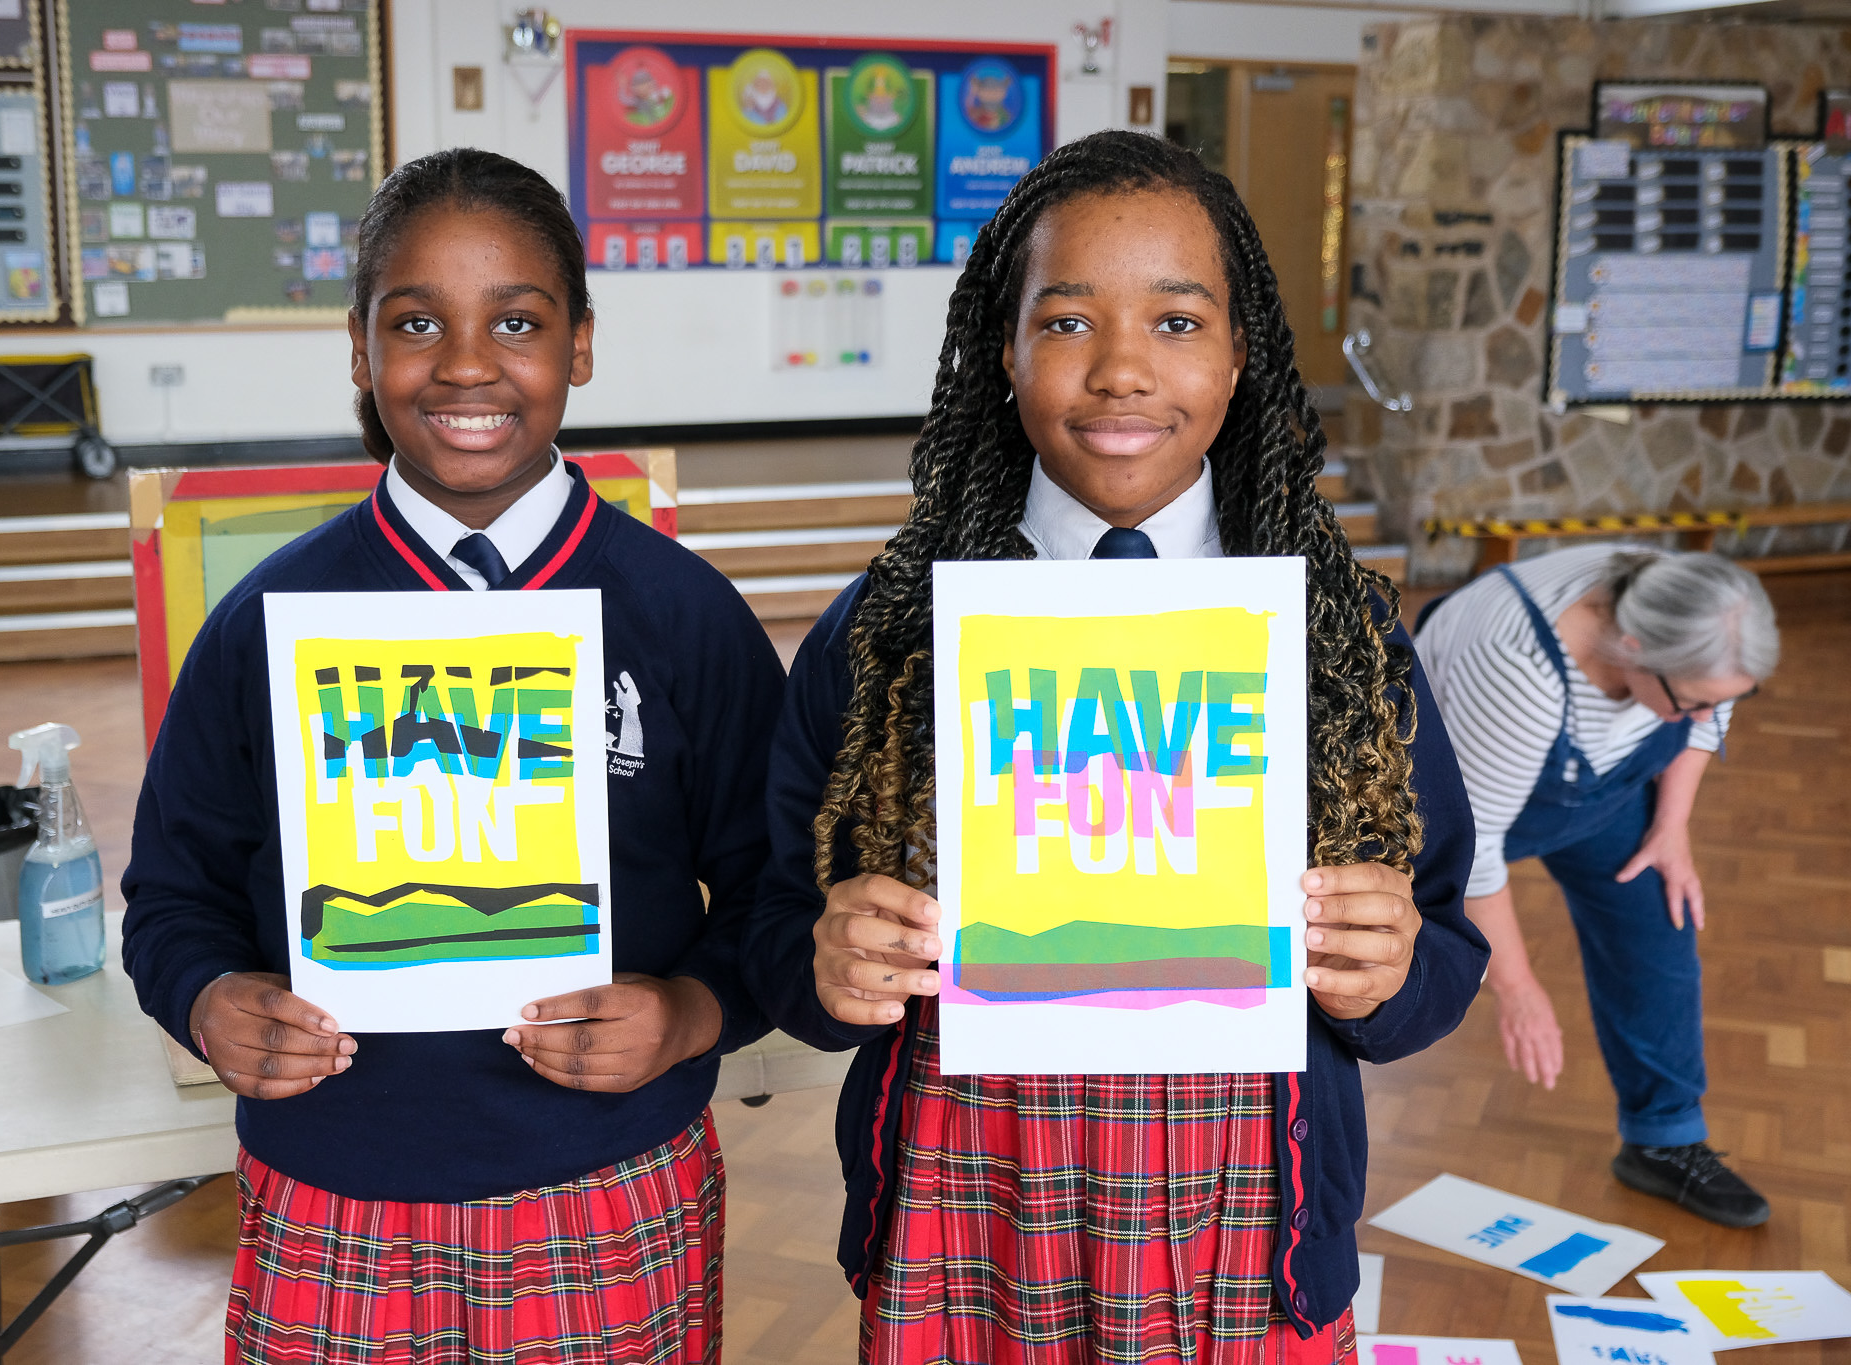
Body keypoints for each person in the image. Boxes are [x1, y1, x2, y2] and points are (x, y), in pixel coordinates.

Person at [744, 129, 1486, 1364]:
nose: (1122, 372)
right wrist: (821, 965)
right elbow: (776, 925)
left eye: (1178, 324)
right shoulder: (886, 632)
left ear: (1242, 352)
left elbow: (1444, 939)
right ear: (1004, 348)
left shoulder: (1333, 634)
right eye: (1068, 321)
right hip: (966, 1196)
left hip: (1239, 1206)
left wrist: (1392, 973)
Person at [121, 149, 785, 1363]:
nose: (467, 364)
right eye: (416, 321)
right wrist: (210, 1000)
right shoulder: (266, 620)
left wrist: (690, 1012)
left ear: (579, 342)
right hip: (330, 1191)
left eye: (517, 321)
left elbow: (772, 896)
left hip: (605, 1178)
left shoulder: (682, 618)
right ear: (360, 351)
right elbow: (171, 896)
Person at [1414, 547, 1778, 1227]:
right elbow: (1473, 848)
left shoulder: (1697, 608)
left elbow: (1711, 704)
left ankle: (1663, 1141)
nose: (1704, 717)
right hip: (1449, 805)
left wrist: (1672, 826)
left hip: (1600, 790)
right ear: (1634, 649)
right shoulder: (1519, 668)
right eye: (1691, 702)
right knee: (1396, 963)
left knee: (1658, 925)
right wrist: (1517, 988)